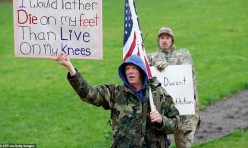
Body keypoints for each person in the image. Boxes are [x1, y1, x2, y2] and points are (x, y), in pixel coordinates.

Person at [52, 53, 180, 148]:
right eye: (127, 69)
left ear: (141, 71)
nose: (130, 71)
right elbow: (89, 94)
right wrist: (71, 69)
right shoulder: (115, 93)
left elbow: (176, 123)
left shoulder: (158, 94)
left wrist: (162, 121)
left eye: (133, 68)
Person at [147, 26, 200, 148]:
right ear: (158, 40)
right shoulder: (151, 58)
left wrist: (169, 65)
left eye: (167, 38)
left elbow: (188, 71)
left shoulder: (183, 55)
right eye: (161, 38)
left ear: (172, 40)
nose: (164, 41)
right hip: (160, 111)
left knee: (183, 143)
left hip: (183, 111)